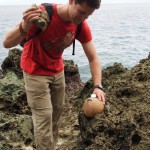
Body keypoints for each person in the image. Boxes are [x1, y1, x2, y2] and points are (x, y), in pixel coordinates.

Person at [3, 0, 106, 149]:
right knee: (43, 119)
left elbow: (93, 58)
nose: (83, 17)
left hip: (57, 71)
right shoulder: (44, 16)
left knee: (55, 117)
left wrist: (98, 86)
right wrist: (24, 26)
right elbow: (6, 43)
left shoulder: (80, 25)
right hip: (35, 71)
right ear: (71, 1)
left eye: (88, 15)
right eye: (81, 12)